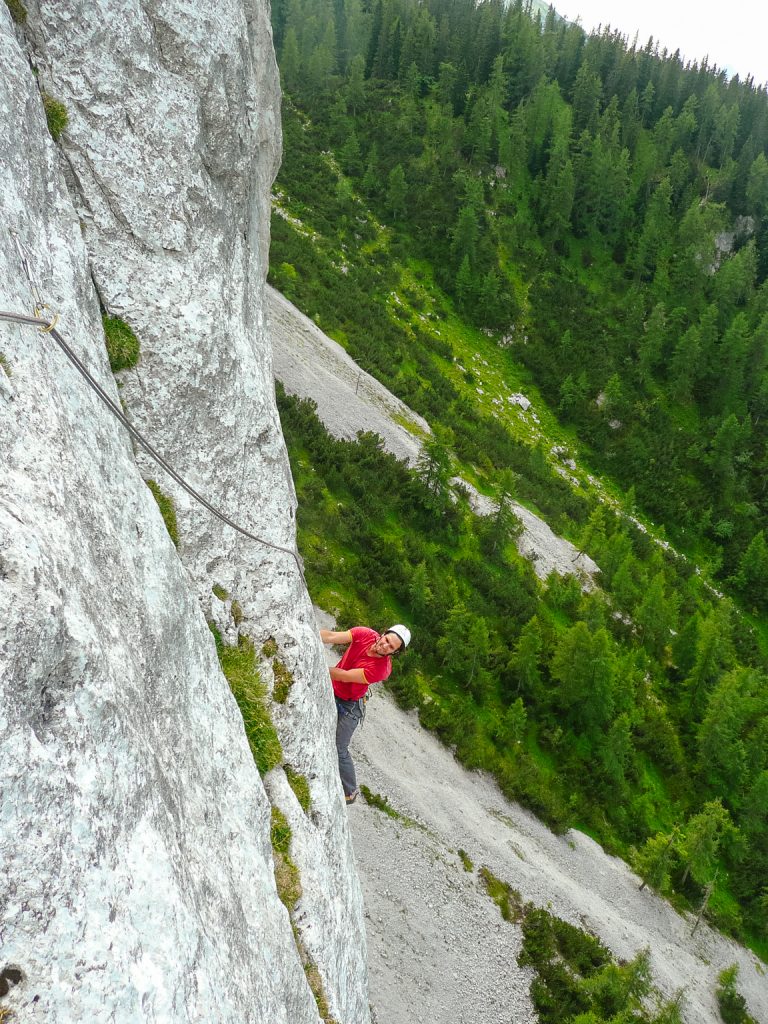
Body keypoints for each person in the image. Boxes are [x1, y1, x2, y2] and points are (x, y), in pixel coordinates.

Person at [320, 624, 411, 804]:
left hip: (350, 706)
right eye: (386, 640)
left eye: (391, 647)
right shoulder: (364, 634)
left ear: (394, 653)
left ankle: (350, 791)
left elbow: (344, 676)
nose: (385, 646)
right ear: (383, 633)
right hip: (334, 690)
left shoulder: (381, 669)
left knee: (339, 748)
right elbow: (330, 636)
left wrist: (315, 664)